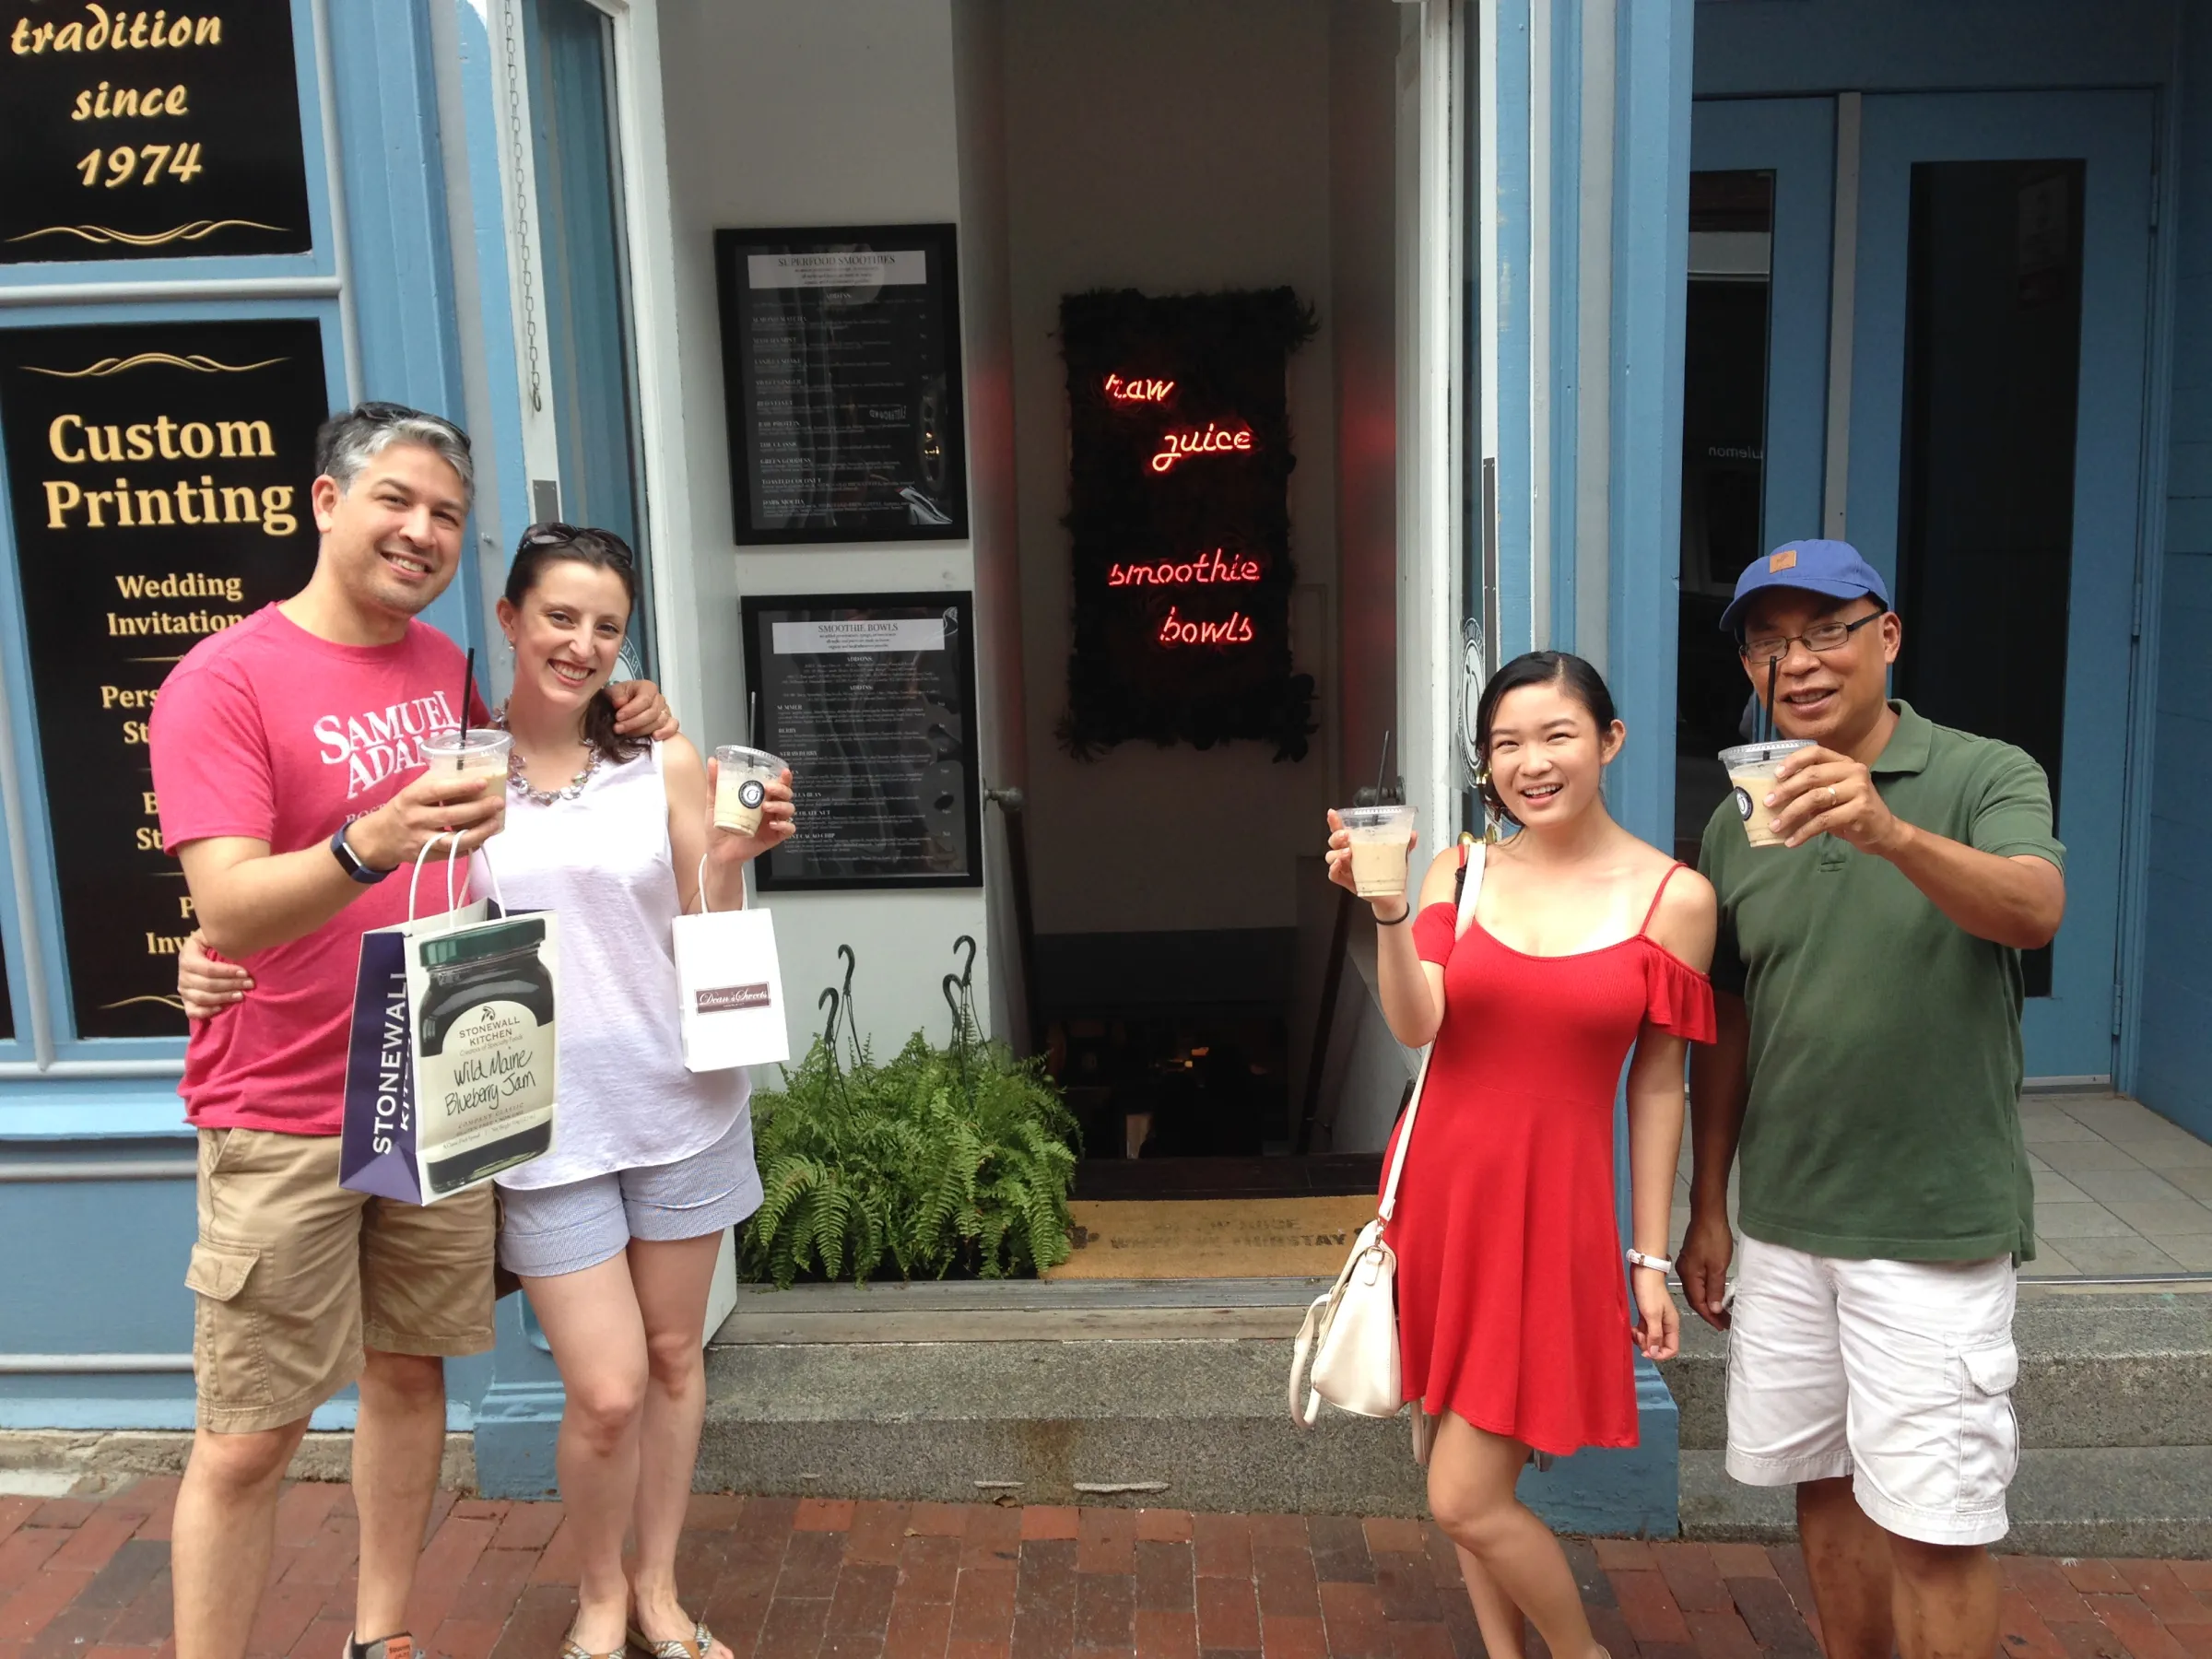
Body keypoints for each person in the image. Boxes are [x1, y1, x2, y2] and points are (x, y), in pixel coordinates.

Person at [182, 523, 791, 1659]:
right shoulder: (455, 765)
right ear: (508, 622)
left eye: (607, 626)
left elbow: (706, 929)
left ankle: (650, 1595)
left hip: (679, 1099)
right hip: (536, 1117)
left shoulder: (657, 755)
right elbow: (352, 892)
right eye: (560, 617)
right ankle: (597, 1591)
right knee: (605, 1389)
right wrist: (205, 952)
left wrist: (726, 864)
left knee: (672, 1360)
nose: (584, 644)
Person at [1677, 540, 2066, 1659]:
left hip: (1931, 1224)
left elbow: (2034, 909)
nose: (1796, 662)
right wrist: (1712, 1203)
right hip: (1790, 1221)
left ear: (1886, 637)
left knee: (1938, 1525)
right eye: (1768, 640)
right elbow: (1731, 1018)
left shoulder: (1986, 774)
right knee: (1824, 1485)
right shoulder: (1736, 815)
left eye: (1826, 630)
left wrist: (1886, 830)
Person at [1325, 651, 1716, 1659]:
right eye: (1506, 744)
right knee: (1451, 1461)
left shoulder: (1674, 898)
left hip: (1552, 1220)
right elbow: (1420, 1024)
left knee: (1464, 1495)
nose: (1530, 764)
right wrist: (1387, 910)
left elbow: (1658, 1083)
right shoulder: (1467, 867)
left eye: (1557, 736)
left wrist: (1651, 1258)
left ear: (1610, 741)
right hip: (1444, 1201)